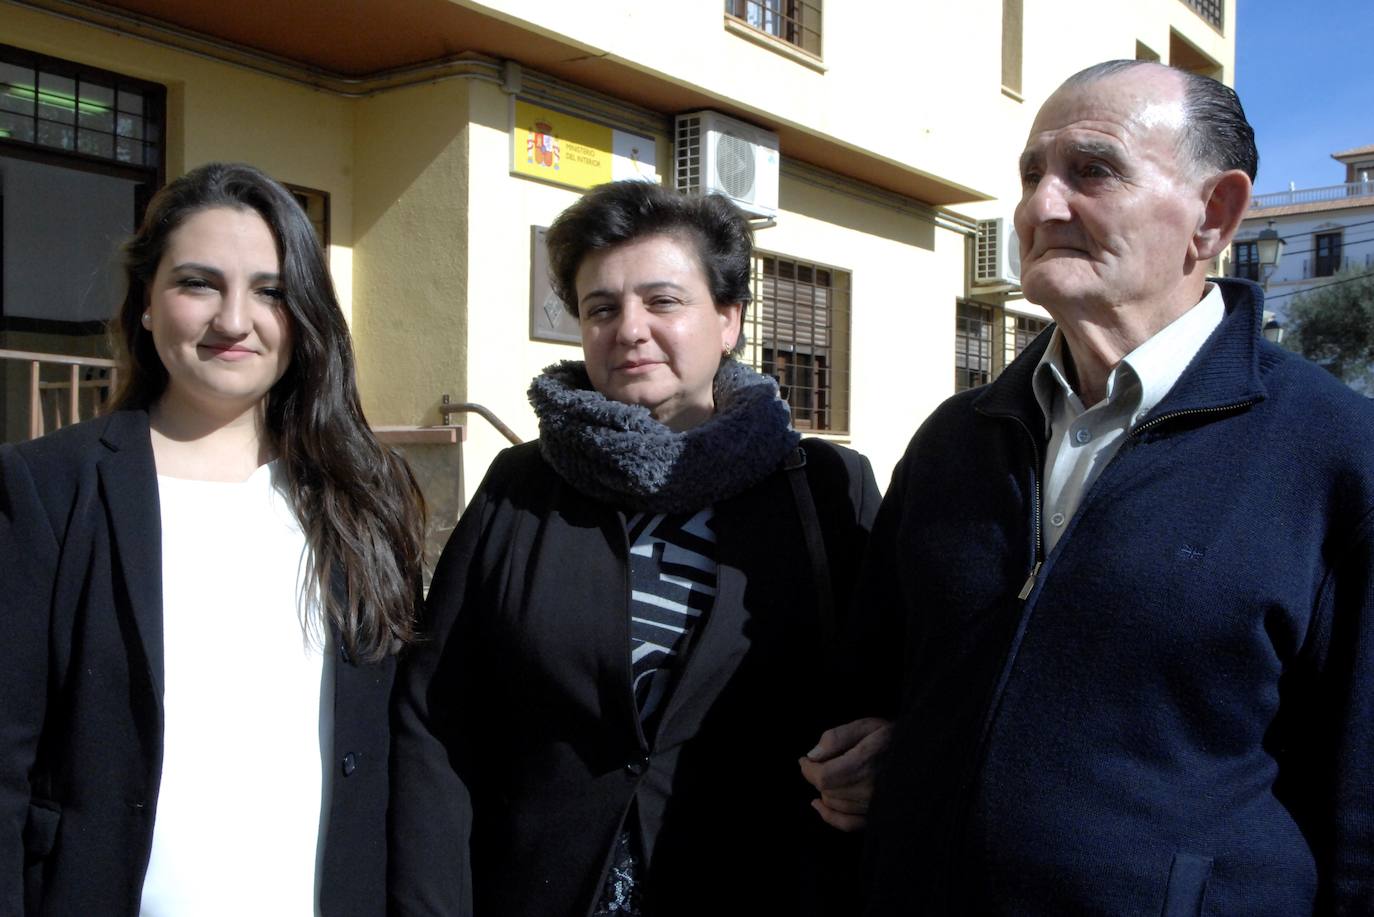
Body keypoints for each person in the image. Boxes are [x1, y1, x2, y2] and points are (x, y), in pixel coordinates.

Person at [850, 60, 1374, 915]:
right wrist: (880, 753)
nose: (1039, 207)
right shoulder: (954, 439)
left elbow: (1359, 809)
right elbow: (881, 675)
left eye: (1091, 170)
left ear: (1214, 216)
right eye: (1030, 174)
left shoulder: (1338, 456)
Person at [388, 180, 880, 916]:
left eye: (663, 301)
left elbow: (891, 684)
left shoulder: (826, 490)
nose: (630, 328)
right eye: (601, 307)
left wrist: (885, 754)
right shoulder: (520, 487)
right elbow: (435, 717)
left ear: (729, 318)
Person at [0, 162, 425, 915]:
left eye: (269, 290)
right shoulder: (49, 489)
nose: (235, 319)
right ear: (144, 305)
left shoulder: (360, 494)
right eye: (198, 283)